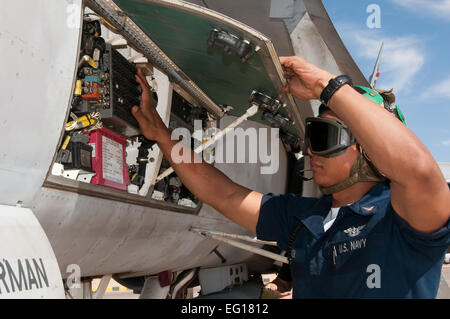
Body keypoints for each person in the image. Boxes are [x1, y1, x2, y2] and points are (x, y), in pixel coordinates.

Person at [131, 55, 450, 298]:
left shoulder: (402, 218)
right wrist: (162, 135)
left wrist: (330, 85)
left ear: (368, 148)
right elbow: (224, 195)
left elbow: (419, 172)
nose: (310, 152)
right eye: (311, 138)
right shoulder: (306, 219)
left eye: (324, 137)